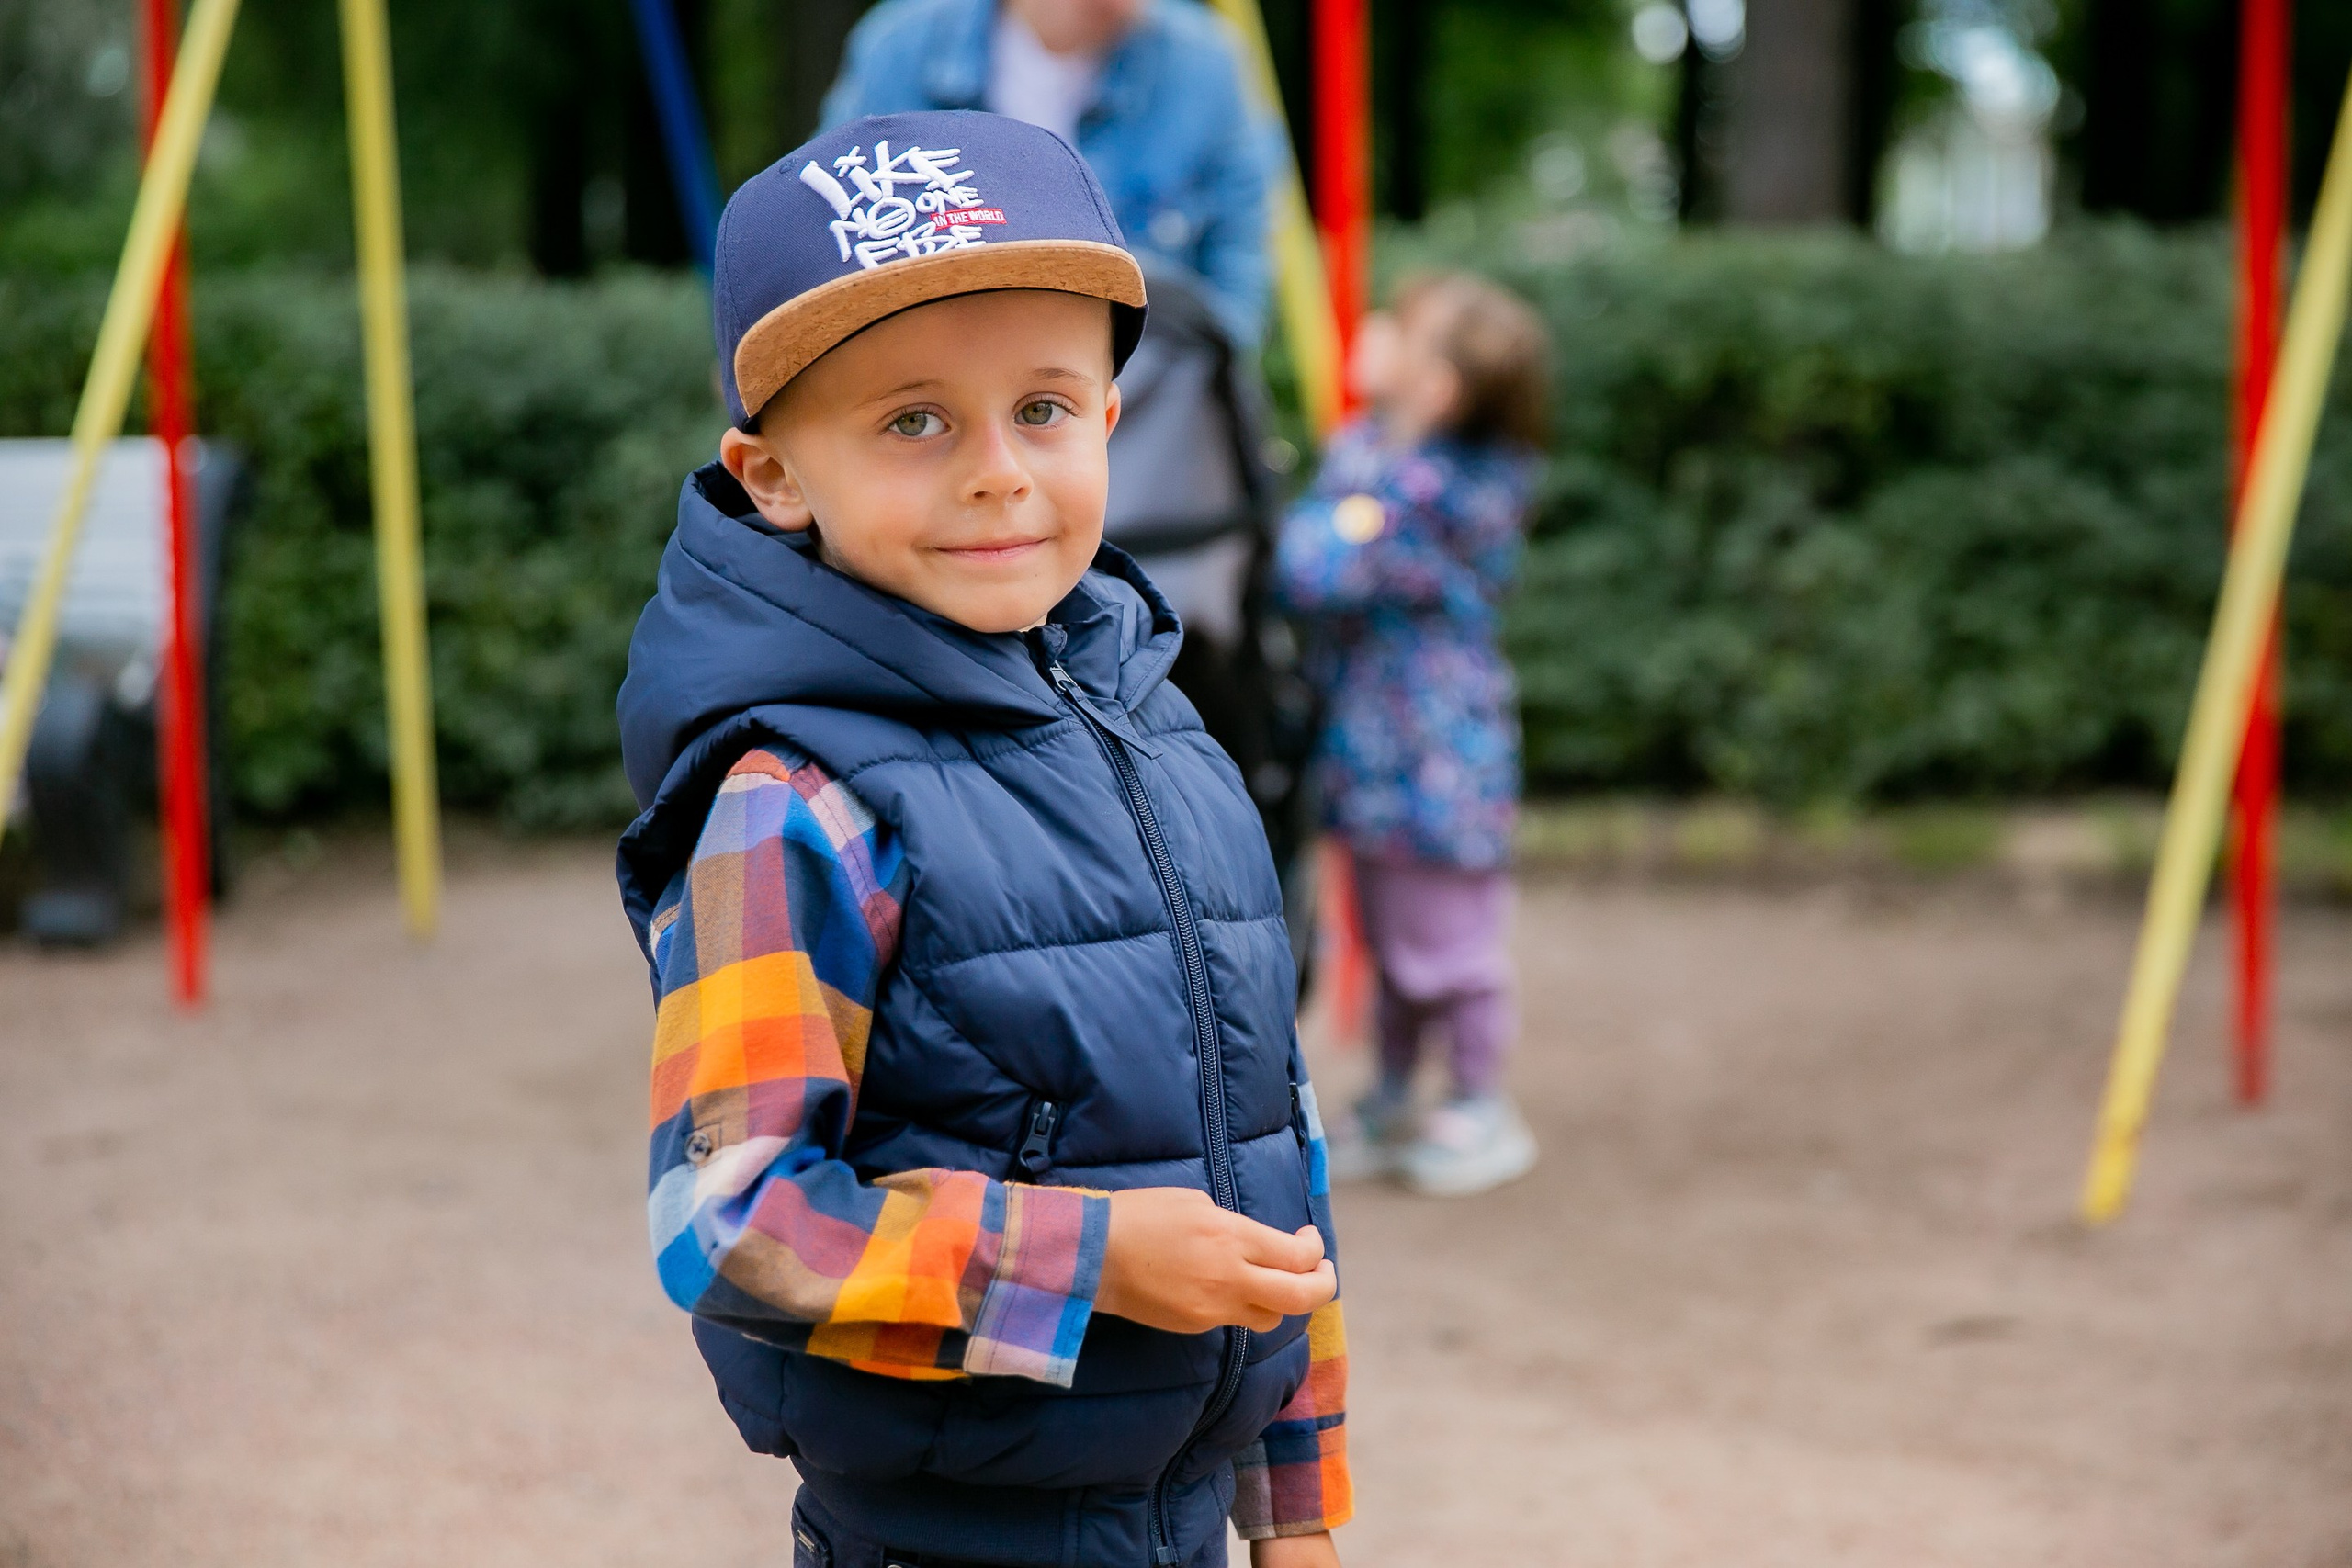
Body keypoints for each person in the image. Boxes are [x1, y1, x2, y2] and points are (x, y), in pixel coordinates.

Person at [615, 112, 1350, 1568]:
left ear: (1109, 425)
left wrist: (1299, 1509)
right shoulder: (795, 803)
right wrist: (1099, 1262)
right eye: (913, 420)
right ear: (771, 475)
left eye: (1043, 408)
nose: (999, 471)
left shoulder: (1172, 742)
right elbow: (732, 1216)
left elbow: (1279, 1154)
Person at [1273, 272, 1551, 1200]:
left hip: (1435, 756)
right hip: (1378, 750)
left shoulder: (1432, 486)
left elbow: (1315, 567)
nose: (1376, 332)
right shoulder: (1386, 463)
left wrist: (1331, 499)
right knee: (1393, 947)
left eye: (1401, 330)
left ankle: (1478, 1103)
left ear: (1436, 387)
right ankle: (1396, 1098)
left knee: (1448, 950)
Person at [820, 0, 1272, 348]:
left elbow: (1235, 295)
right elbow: (832, 236)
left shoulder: (1207, 68)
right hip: (930, 369)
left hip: (1139, 406)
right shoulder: (902, 51)